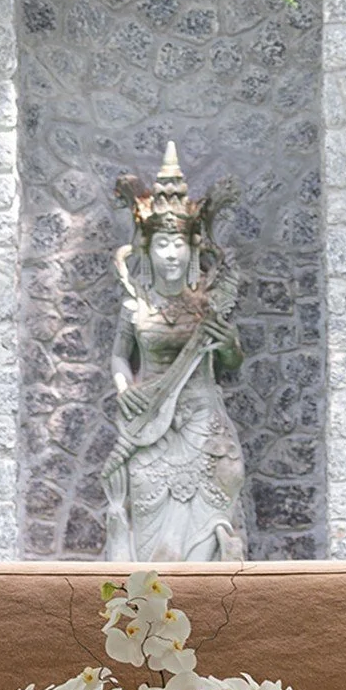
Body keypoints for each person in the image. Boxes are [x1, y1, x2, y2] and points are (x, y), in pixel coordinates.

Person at [102, 142, 248, 562]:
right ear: (147, 250)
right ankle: (151, 594)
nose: (170, 254)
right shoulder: (136, 305)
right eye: (162, 244)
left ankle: (210, 580)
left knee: (223, 482)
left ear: (192, 250)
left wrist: (228, 344)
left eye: (178, 245)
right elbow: (119, 355)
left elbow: (231, 363)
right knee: (149, 515)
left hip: (203, 418)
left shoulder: (209, 304)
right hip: (151, 422)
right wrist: (124, 388)